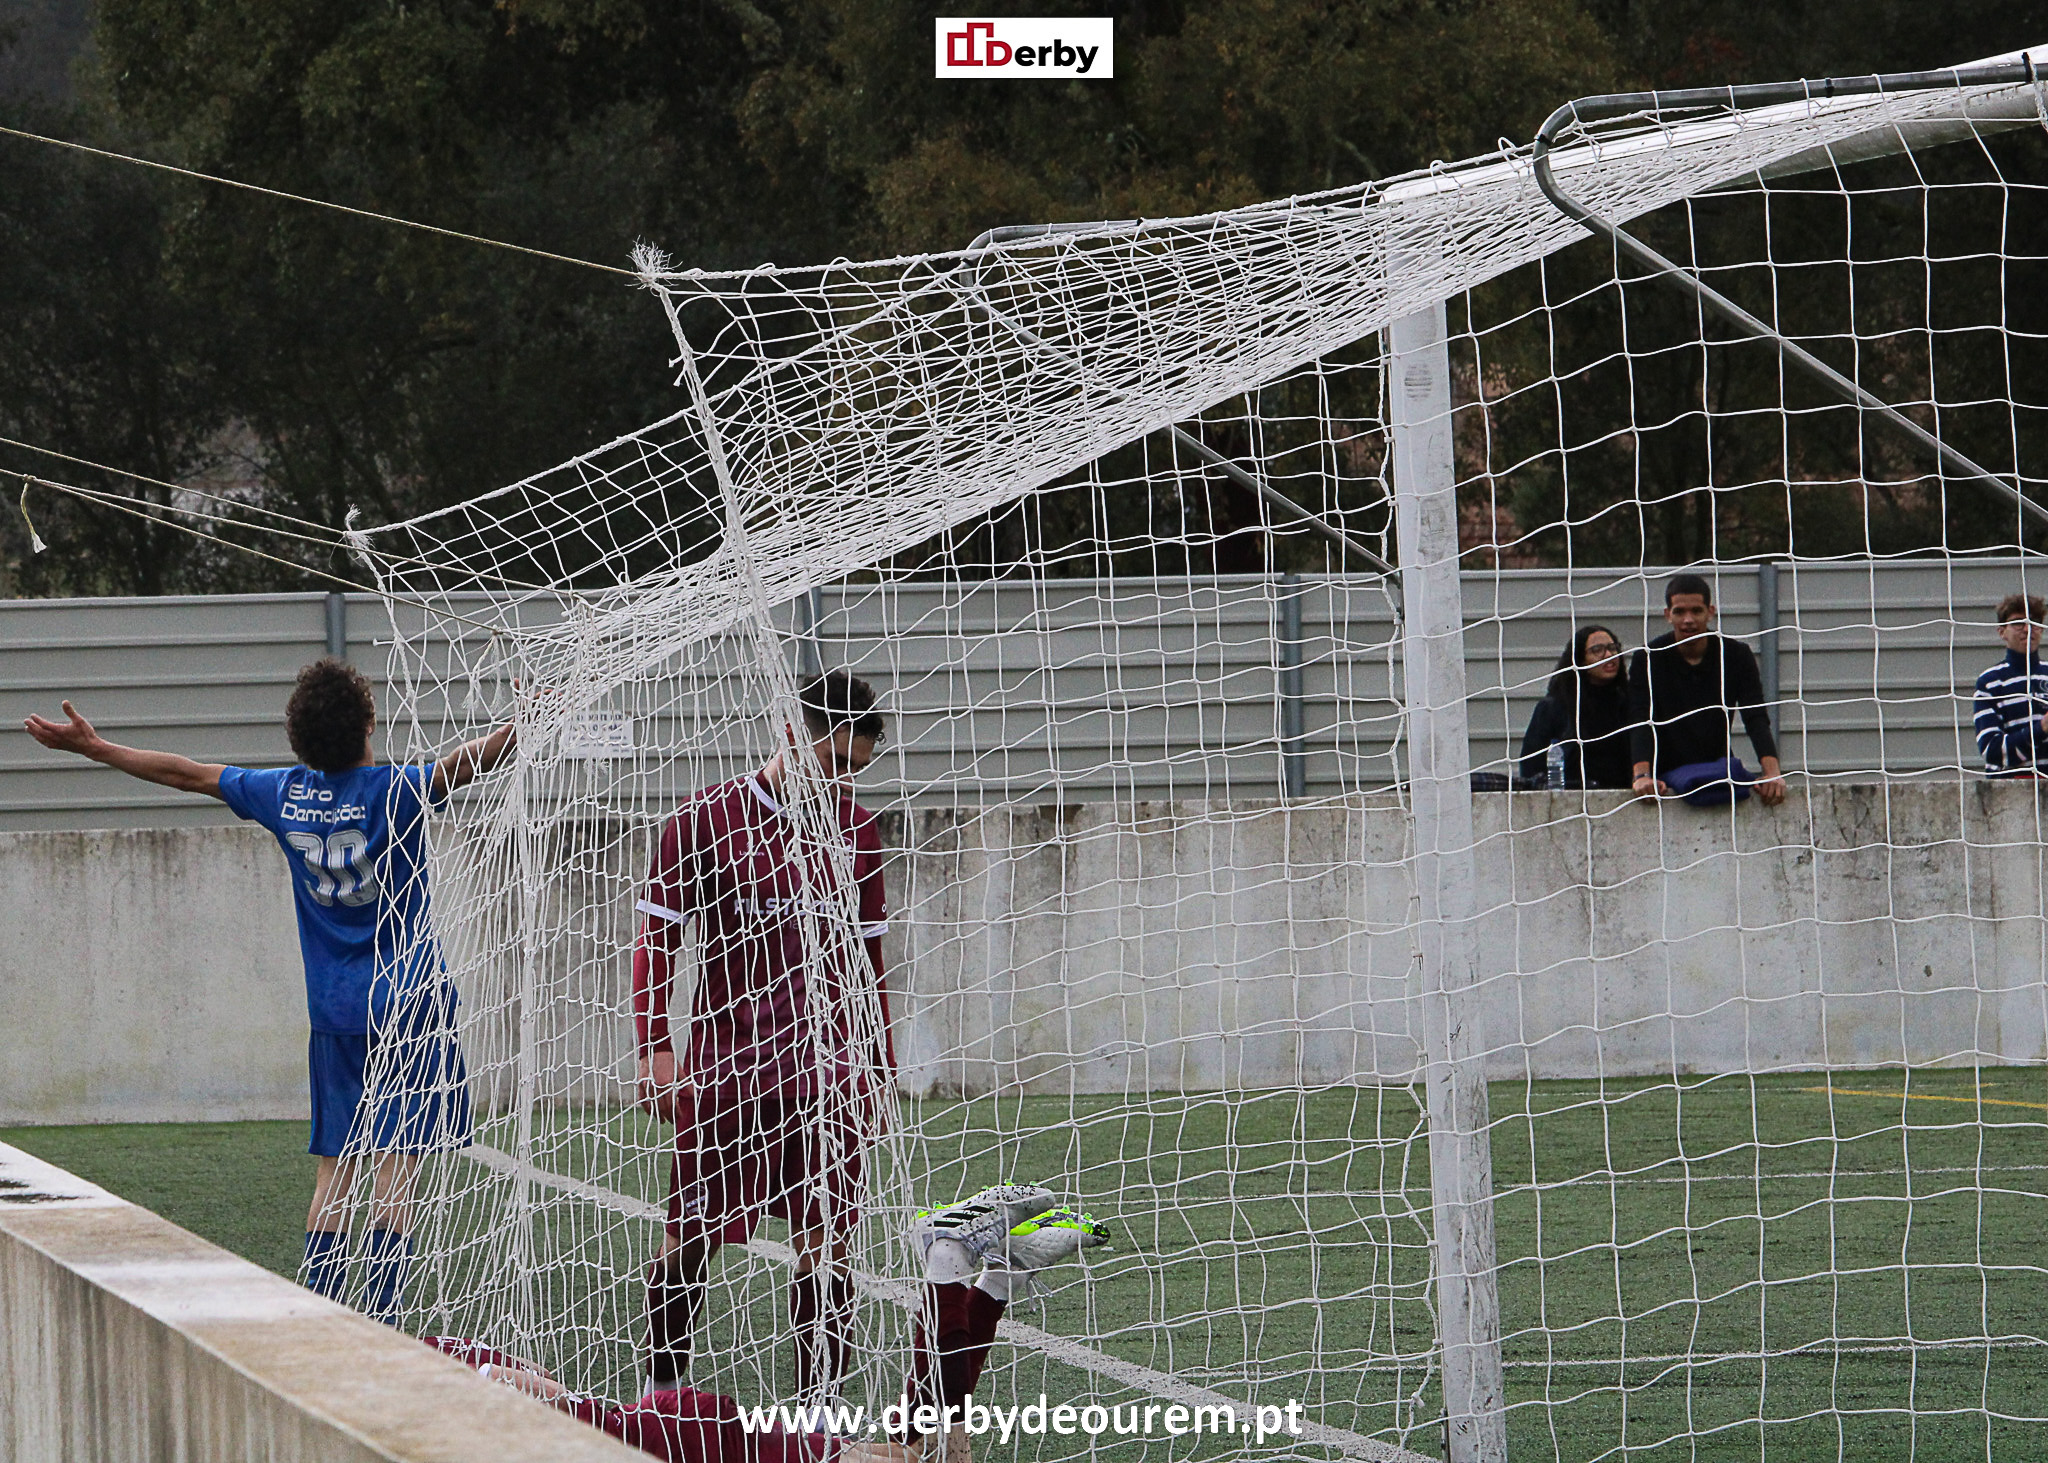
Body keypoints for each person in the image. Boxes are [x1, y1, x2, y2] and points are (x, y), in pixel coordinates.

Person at [22, 658, 514, 1321]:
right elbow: (464, 762)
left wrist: (94, 746)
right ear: (369, 723)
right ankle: (387, 1315)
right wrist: (528, 722)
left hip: (335, 1009)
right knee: (397, 1164)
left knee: (336, 1166)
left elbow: (185, 772)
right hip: (412, 1003)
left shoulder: (283, 794)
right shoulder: (395, 790)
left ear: (296, 740)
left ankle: (319, 1311)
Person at [634, 670, 894, 1403]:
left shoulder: (857, 830)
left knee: (828, 1241)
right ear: (793, 736)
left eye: (856, 769)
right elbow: (659, 938)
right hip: (728, 1071)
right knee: (688, 1234)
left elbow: (868, 960)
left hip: (825, 1074)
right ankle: (660, 1392)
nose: (844, 780)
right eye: (837, 761)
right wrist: (656, 1047)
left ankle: (820, 1412)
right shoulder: (706, 819)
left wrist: (879, 1065)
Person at [428, 1188, 1109, 1463]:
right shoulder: (416, 1360)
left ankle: (956, 1265)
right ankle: (994, 1276)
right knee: (912, 1451)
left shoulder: (414, 1381)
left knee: (911, 1457)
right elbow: (516, 1375)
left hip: (666, 1439)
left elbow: (516, 1382)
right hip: (662, 1426)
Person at [1626, 573, 1786, 806]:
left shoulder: (1736, 654)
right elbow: (1640, 718)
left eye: (1696, 611)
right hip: (1666, 776)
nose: (1688, 620)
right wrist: (1642, 775)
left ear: (1710, 612)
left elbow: (1755, 716)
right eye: (1679, 612)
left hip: (1718, 771)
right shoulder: (1648, 658)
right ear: (1667, 615)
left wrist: (1772, 772)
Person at [1517, 625, 1634, 789]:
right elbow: (1531, 768)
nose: (1608, 655)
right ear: (1580, 659)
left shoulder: (1629, 702)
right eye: (1597, 650)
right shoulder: (1554, 707)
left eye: (1612, 648)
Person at [1972, 593, 2048, 778]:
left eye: (2034, 622)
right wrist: (2041, 729)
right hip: (2009, 795)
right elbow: (1992, 752)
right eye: (2018, 622)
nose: (2027, 629)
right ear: (2002, 632)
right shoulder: (1989, 682)